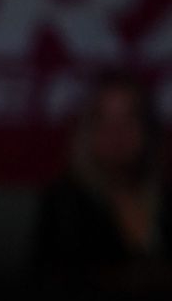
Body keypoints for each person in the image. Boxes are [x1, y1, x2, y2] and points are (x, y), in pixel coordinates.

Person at [34, 71, 172, 285]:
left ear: (148, 128)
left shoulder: (165, 199)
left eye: (129, 119)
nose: (117, 133)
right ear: (87, 130)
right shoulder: (65, 204)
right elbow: (50, 280)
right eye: (103, 120)